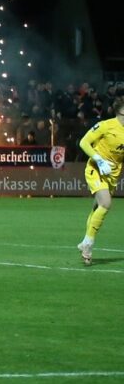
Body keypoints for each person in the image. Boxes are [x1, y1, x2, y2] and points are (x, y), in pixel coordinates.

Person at [76, 102, 124, 266]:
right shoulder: (105, 126)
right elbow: (84, 142)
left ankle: (84, 244)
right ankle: (88, 244)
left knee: (98, 208)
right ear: (120, 112)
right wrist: (99, 159)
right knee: (106, 203)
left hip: (112, 175)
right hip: (96, 169)